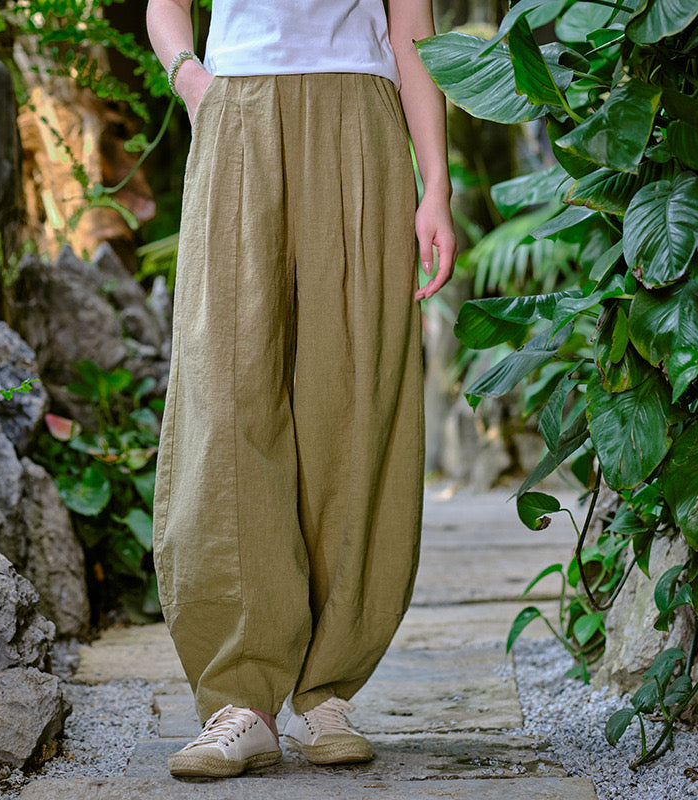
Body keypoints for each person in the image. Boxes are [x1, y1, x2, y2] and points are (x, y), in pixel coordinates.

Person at [146, 0, 457, 779]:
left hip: (360, 115)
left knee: (353, 398)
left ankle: (327, 694)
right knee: (227, 399)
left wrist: (437, 186)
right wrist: (192, 79)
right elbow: (165, 6)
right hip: (237, 111)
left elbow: (412, 31)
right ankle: (240, 703)